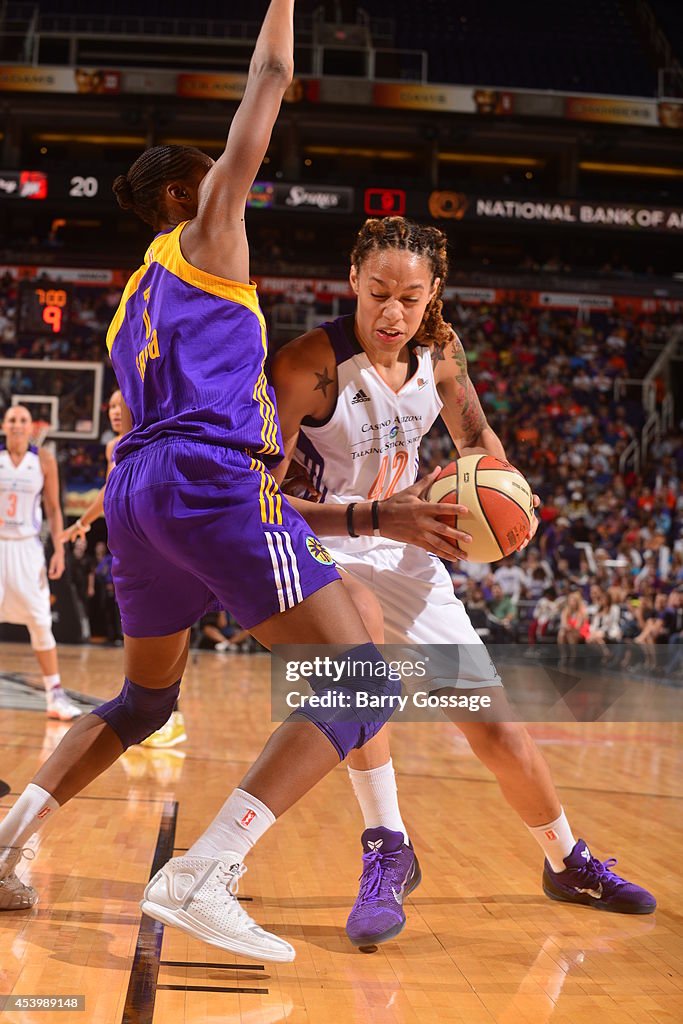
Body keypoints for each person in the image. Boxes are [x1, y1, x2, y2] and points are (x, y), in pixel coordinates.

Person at [0, 2, 447, 955]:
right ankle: (207, 870)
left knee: (143, 702)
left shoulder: (130, 303)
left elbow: (133, 416)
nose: (231, 174)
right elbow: (270, 82)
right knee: (358, 684)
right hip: (207, 481)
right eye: (214, 172)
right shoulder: (209, 229)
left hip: (137, 494)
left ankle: (4, 848)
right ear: (184, 196)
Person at [270, 216, 655, 947]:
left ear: (432, 295)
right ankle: (388, 843)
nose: (391, 312)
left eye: (409, 298)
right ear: (351, 279)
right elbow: (260, 497)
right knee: (363, 653)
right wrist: (375, 515)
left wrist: (504, 489)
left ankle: (564, 860)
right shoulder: (306, 367)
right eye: (377, 292)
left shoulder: (440, 352)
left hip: (408, 548)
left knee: (497, 731)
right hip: (327, 545)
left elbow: (474, 437)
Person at [61, 390, 187, 748]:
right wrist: (83, 522)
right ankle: (152, 715)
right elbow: (108, 491)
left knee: (165, 631)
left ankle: (172, 716)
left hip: (156, 545)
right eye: (112, 407)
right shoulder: (112, 447)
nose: (117, 412)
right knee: (140, 638)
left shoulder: (154, 439)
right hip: (129, 548)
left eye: (123, 405)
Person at [0, 405, 81, 722]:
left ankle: (55, 696)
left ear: (31, 427)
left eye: (23, 420)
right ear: (4, 426)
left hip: (27, 547)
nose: (18, 425)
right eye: (12, 420)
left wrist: (58, 550)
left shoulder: (44, 460)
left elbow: (53, 509)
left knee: (40, 621)